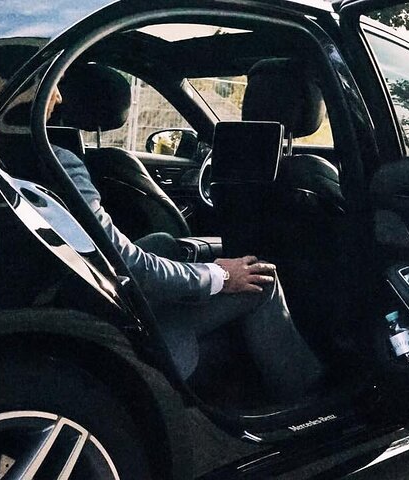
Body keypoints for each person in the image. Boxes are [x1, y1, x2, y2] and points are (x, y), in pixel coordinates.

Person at [46, 86, 324, 401]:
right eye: (54, 85)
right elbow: (126, 265)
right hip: (102, 331)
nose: (59, 96)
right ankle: (310, 402)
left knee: (165, 243)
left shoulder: (19, 155)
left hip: (66, 301)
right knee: (261, 281)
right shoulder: (60, 162)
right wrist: (222, 276)